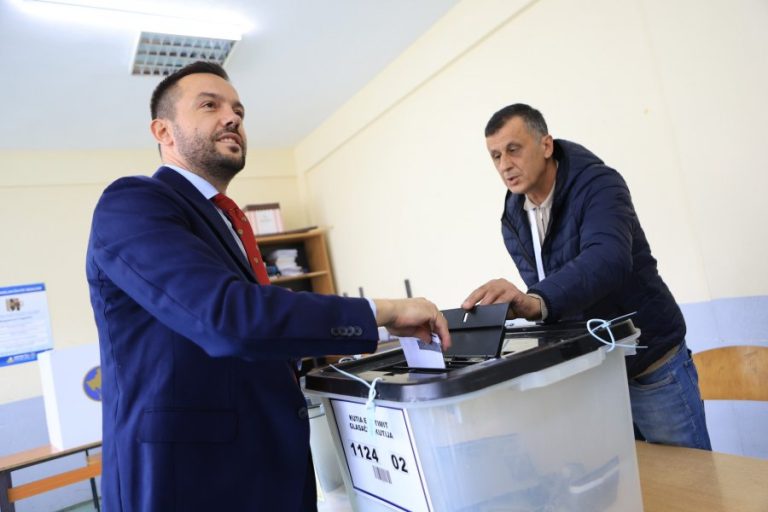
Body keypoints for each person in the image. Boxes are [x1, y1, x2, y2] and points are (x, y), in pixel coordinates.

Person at [85, 61, 451, 512]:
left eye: (238, 110)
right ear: (163, 131)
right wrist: (386, 312)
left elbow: (256, 323)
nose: (232, 117)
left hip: (264, 473)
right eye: (210, 105)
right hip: (186, 485)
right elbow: (230, 318)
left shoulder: (224, 223)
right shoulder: (132, 203)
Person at [462, 103, 710, 450]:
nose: (505, 164)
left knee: (688, 481)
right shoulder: (514, 218)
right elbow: (557, 301)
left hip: (650, 363)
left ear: (546, 145)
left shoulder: (599, 185)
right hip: (599, 375)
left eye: (513, 149)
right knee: (631, 480)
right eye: (496, 156)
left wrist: (535, 300)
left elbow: (607, 259)